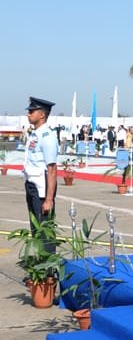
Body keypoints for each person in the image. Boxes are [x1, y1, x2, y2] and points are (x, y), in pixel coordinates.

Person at [22, 97, 59, 241]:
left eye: (32, 111)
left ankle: (48, 261)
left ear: (42, 115)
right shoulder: (34, 134)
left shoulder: (47, 136)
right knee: (35, 226)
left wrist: (49, 199)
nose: (28, 114)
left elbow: (52, 169)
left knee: (44, 229)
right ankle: (39, 260)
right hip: (31, 184)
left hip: (42, 188)